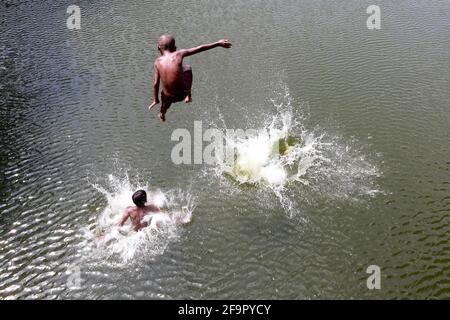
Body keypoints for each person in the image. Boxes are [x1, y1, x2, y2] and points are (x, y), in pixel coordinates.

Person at [148, 35, 232, 122]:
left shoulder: (157, 62)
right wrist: (217, 43)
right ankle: (188, 97)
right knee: (187, 68)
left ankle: (162, 112)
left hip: (169, 97)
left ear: (158, 48)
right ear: (175, 48)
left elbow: (155, 84)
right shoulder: (179, 54)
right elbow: (200, 48)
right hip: (182, 93)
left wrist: (155, 99)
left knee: (164, 94)